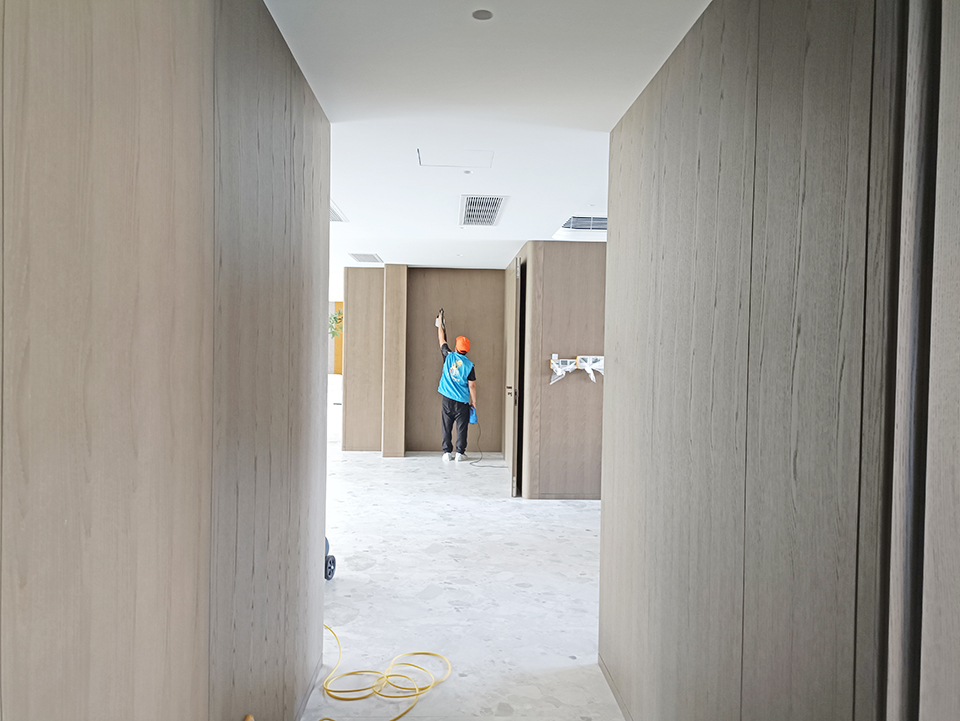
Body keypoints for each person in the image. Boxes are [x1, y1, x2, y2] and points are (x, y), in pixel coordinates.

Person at [436, 311, 476, 462]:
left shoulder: (448, 356)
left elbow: (442, 339)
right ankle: (460, 453)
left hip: (447, 399)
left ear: (456, 347)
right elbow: (472, 386)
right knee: (462, 427)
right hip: (462, 402)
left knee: (446, 426)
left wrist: (440, 323)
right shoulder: (469, 365)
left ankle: (447, 452)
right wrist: (474, 402)